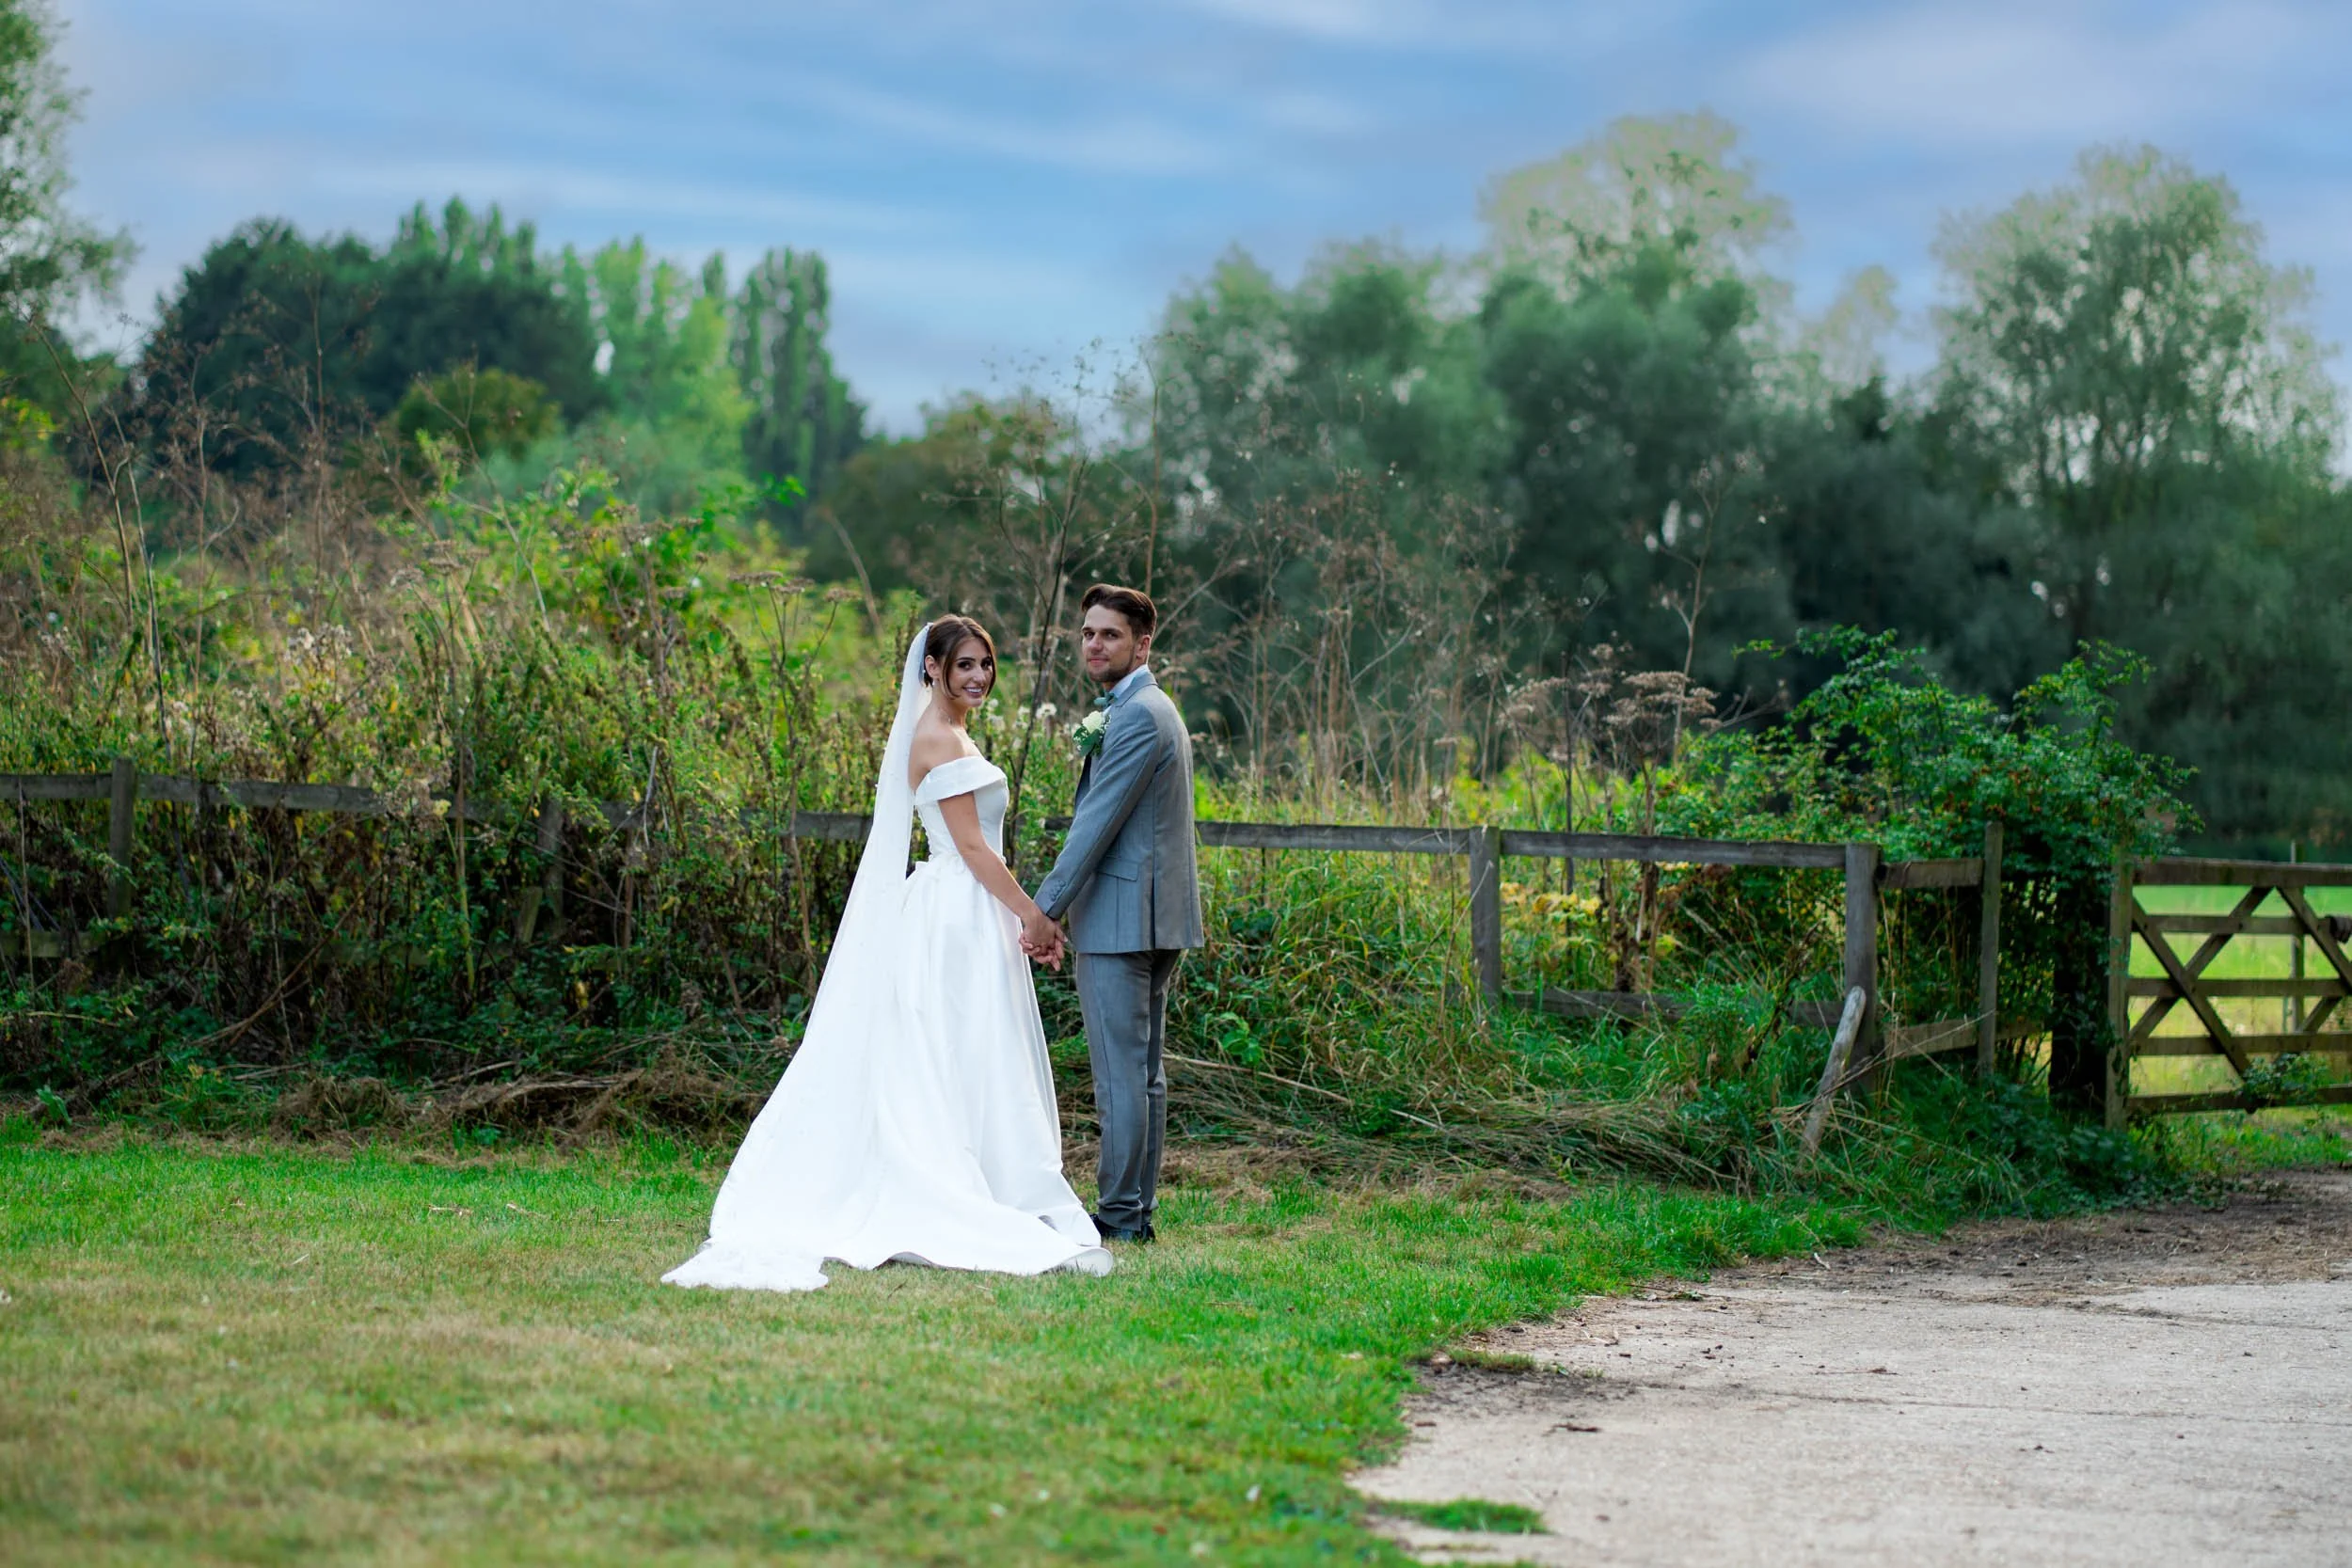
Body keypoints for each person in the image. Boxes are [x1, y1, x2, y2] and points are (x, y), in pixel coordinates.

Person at [663, 618, 1111, 1291]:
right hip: (956, 908)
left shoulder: (956, 732)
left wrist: (1019, 916)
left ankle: (989, 1170)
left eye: (985, 665)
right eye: (964, 665)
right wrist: (1033, 914)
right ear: (931, 668)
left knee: (975, 1048)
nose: (979, 677)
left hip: (969, 906)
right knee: (953, 1044)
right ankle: (952, 1178)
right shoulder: (935, 737)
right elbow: (972, 848)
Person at [1025, 585, 1204, 1244]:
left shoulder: (1135, 716)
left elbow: (1093, 827)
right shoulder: (1152, 709)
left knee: (1122, 1077)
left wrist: (1041, 911)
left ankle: (1122, 1218)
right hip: (1154, 915)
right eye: (1088, 633)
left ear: (1143, 644)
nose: (1095, 644)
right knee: (1144, 1074)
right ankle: (1135, 1213)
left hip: (1125, 920)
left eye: (1110, 635)